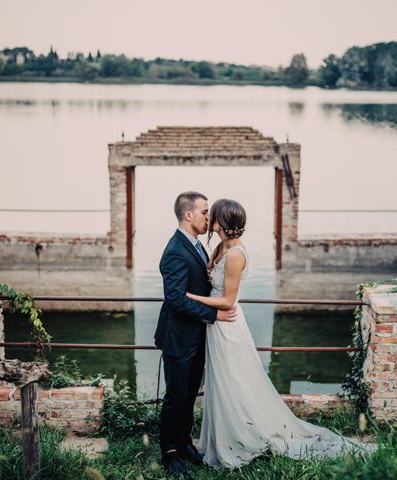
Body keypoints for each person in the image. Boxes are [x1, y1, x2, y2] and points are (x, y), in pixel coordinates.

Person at [186, 198, 373, 469]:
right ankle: (219, 438)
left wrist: (191, 297)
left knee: (233, 380)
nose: (209, 220)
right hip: (216, 325)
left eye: (211, 216)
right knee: (220, 381)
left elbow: (227, 300)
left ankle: (238, 439)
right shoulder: (221, 247)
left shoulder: (236, 254)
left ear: (220, 223)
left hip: (227, 325)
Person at [154, 191, 238, 479]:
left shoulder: (199, 245)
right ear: (188, 215)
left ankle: (184, 442)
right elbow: (175, 299)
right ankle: (170, 453)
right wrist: (215, 314)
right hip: (178, 338)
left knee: (190, 394)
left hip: (197, 335)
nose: (209, 216)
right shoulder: (175, 250)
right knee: (176, 397)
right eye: (204, 211)